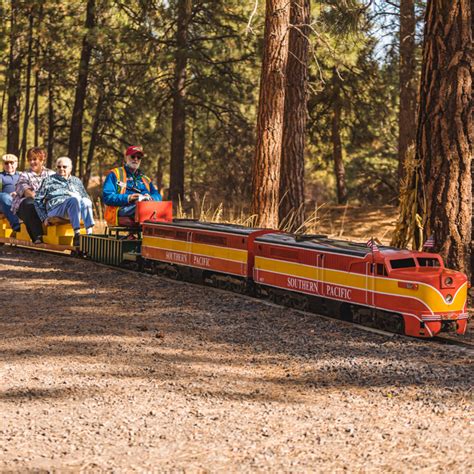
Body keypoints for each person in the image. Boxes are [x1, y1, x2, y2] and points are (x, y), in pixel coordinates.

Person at [34, 157, 95, 247]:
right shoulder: (49, 180)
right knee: (73, 200)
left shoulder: (76, 181)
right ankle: (77, 235)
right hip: (56, 209)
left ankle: (89, 234)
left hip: (76, 209)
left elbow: (85, 197)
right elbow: (37, 200)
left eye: (64, 167)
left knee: (86, 201)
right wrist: (44, 217)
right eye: (59, 167)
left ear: (70, 168)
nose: (61, 169)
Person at [102, 145, 161, 226]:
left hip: (143, 206)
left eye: (139, 157)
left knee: (159, 208)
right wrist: (129, 198)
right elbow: (107, 197)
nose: (136, 159)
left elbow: (158, 196)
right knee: (142, 207)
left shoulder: (145, 179)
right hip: (120, 209)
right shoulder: (114, 174)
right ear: (126, 157)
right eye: (133, 156)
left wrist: (151, 197)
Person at [11, 147, 54, 243]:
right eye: (30, 160)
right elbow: (26, 191)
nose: (32, 162)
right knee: (30, 203)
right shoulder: (25, 175)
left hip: (46, 205)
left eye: (34, 159)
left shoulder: (51, 174)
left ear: (42, 160)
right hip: (25, 207)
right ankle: (37, 236)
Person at [0, 154, 21, 233]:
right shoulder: (1, 176)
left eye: (11, 162)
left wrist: (18, 193)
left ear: (16, 164)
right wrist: (8, 196)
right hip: (2, 203)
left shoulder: (21, 175)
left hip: (18, 200)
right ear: (3, 165)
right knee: (4, 196)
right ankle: (16, 225)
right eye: (6, 163)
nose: (9, 165)